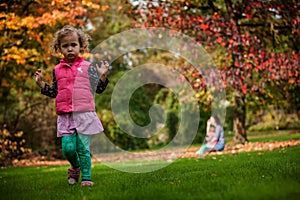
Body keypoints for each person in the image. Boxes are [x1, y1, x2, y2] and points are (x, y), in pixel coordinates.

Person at [34, 25, 109, 187]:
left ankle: (87, 178)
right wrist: (41, 84)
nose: (70, 49)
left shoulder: (88, 67)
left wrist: (102, 77)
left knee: (83, 148)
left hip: (83, 114)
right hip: (65, 115)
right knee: (68, 148)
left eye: (73, 45)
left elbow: (100, 89)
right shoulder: (57, 70)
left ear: (81, 46)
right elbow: (55, 92)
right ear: (59, 48)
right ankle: (75, 167)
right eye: (65, 46)